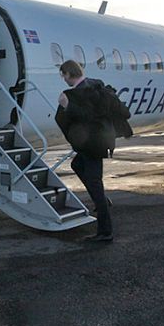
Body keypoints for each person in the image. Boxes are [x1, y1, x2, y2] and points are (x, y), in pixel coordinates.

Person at [55, 60, 131, 242]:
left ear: (68, 74)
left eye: (63, 75)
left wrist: (68, 107)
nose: (63, 80)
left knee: (95, 183)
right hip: (98, 142)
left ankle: (105, 231)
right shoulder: (96, 84)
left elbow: (89, 116)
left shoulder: (80, 92)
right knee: (77, 165)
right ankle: (102, 202)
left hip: (92, 144)